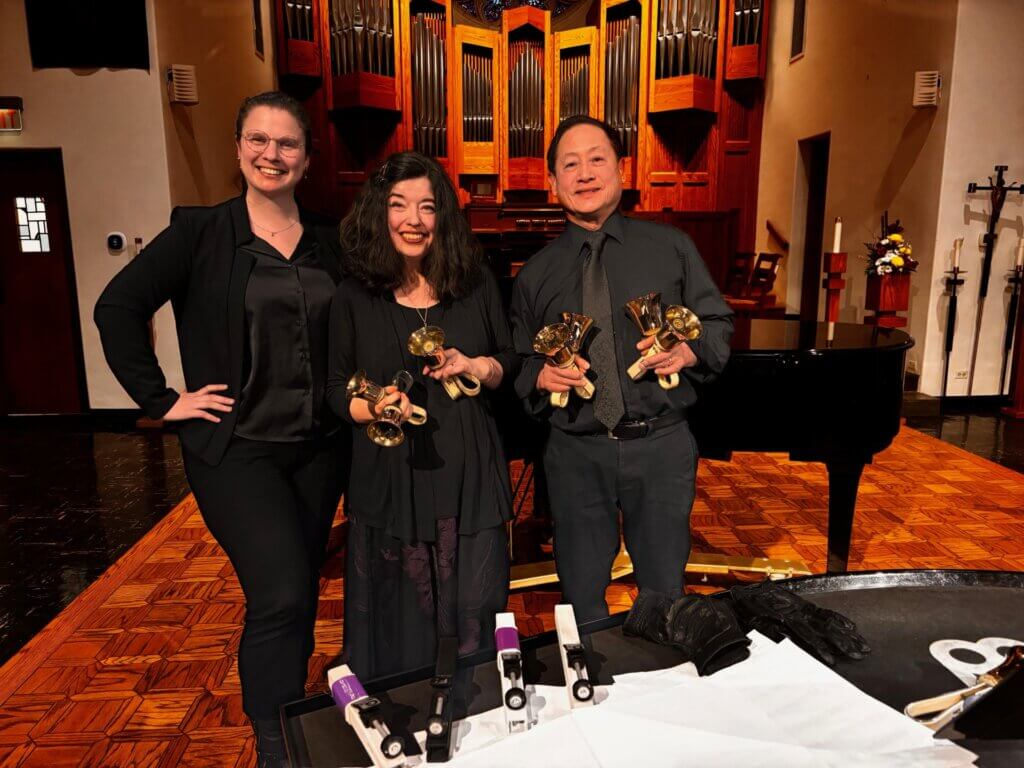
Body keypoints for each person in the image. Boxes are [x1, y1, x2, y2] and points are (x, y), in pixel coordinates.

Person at [95, 91, 347, 768]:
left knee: (296, 591)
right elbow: (117, 307)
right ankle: (275, 741)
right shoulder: (202, 232)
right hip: (238, 452)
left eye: (287, 143)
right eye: (258, 140)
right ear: (239, 149)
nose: (272, 154)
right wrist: (161, 398)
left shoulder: (332, 237)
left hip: (320, 451)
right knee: (282, 591)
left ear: (306, 157)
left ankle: (289, 715)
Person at [509, 115, 734, 623]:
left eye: (597, 159)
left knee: (665, 593)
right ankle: (588, 686)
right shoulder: (535, 275)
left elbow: (718, 322)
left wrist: (690, 352)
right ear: (553, 182)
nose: (584, 173)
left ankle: (663, 684)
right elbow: (519, 359)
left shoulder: (671, 248)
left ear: (621, 170)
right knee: (581, 597)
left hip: (660, 445)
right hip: (574, 453)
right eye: (570, 164)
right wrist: (540, 376)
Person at [326, 151, 517, 680]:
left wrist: (476, 363)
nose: (413, 219)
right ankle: (405, 726)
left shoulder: (475, 285)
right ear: (378, 213)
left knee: (475, 611)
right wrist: (375, 406)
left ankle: (478, 722)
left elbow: (508, 361)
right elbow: (334, 389)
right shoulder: (353, 296)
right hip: (391, 476)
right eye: (398, 205)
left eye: (427, 207)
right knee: (398, 618)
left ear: (443, 218)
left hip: (468, 470)